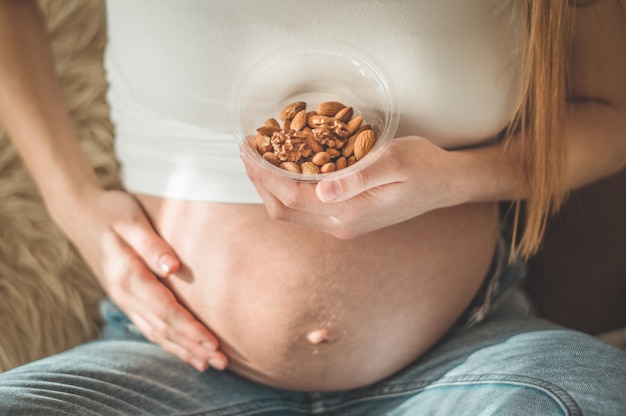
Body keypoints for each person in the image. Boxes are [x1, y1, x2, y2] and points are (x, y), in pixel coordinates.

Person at [0, 0, 625, 414]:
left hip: (466, 356)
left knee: (597, 391)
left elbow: (615, 109)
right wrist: (73, 204)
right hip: (170, 364)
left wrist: (460, 178)